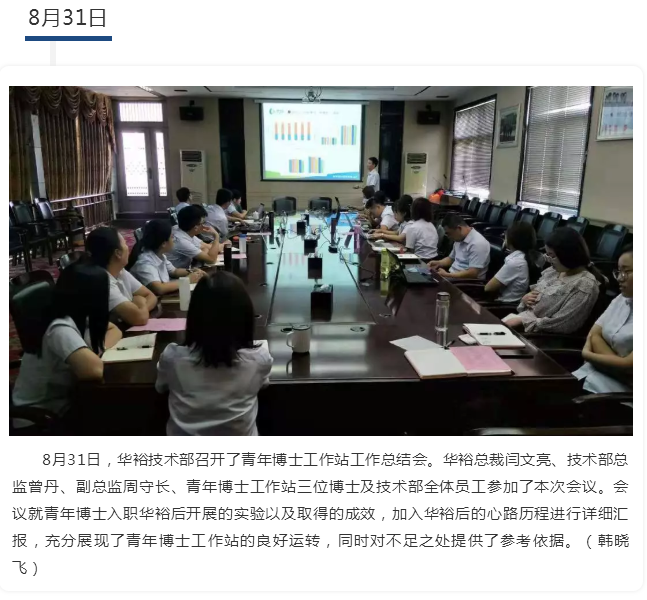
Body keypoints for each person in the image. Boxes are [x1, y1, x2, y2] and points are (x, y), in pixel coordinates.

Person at [155, 270, 273, 436]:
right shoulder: (259, 359)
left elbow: (161, 387)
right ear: (245, 315)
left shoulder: (172, 357)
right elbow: (263, 384)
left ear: (194, 315)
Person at [12, 262, 123, 417]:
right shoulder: (59, 328)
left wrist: (92, 353)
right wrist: (92, 355)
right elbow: (94, 370)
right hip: (39, 416)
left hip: (65, 401)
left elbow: (114, 330)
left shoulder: (74, 312)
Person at [504, 227, 604, 334]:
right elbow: (535, 296)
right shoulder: (555, 271)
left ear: (568, 255)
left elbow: (563, 324)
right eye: (547, 254)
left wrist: (524, 321)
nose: (548, 260)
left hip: (540, 335)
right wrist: (525, 300)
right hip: (523, 322)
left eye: (552, 255)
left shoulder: (584, 285)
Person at [573, 245, 632, 393]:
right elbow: (593, 334)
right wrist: (619, 366)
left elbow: (629, 366)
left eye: (627, 271)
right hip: (589, 374)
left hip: (617, 394)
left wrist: (588, 354)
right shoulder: (621, 299)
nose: (620, 278)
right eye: (619, 272)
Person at [86, 227, 157, 326]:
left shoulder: (120, 271)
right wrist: (139, 305)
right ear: (118, 253)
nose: (128, 248)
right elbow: (140, 318)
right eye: (125, 244)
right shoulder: (102, 282)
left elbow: (150, 295)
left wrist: (139, 309)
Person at [129, 219, 206, 295]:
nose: (174, 240)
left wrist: (191, 271)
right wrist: (187, 280)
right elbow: (159, 289)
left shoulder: (159, 254)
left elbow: (174, 271)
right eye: (171, 237)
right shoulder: (145, 262)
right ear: (164, 244)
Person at [484, 221, 538, 303]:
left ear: (511, 239)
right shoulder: (528, 257)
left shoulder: (515, 262)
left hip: (503, 305)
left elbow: (488, 288)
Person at [428, 213, 490, 280]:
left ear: (459, 228)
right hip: (453, 276)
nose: (448, 237)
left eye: (449, 234)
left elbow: (472, 273)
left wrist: (447, 275)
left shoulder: (478, 244)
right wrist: (438, 263)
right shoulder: (459, 239)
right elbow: (451, 259)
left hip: (466, 282)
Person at [165, 204, 225, 270]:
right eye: (203, 223)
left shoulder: (184, 231)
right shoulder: (181, 241)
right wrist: (216, 236)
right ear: (196, 227)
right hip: (177, 274)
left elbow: (207, 247)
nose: (205, 226)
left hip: (186, 270)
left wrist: (220, 246)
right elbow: (211, 259)